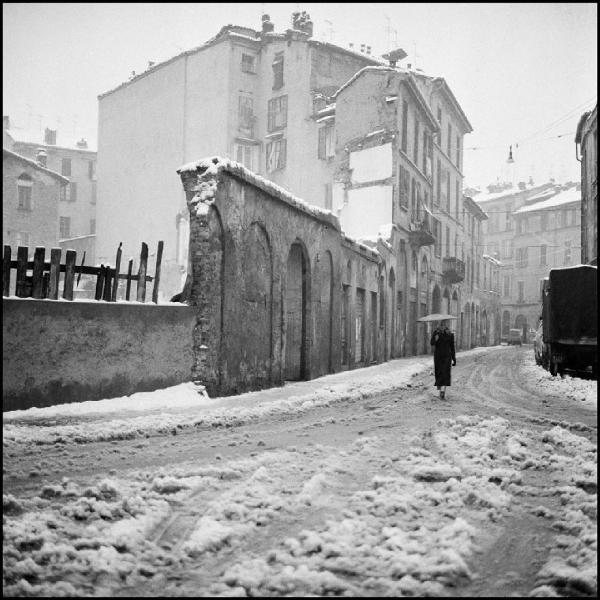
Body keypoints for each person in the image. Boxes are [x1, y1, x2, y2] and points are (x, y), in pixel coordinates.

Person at [430, 320, 456, 399]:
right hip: (438, 356)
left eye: (444, 325)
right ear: (439, 325)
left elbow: (452, 347)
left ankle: (442, 392)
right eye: (441, 325)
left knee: (445, 374)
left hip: (446, 357)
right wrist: (436, 339)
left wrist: (454, 358)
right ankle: (440, 386)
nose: (442, 326)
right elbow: (432, 343)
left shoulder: (450, 334)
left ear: (446, 326)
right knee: (439, 373)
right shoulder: (436, 333)